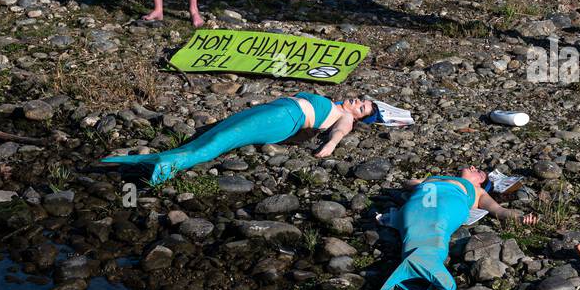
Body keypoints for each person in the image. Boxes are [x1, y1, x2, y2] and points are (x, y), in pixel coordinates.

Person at [102, 93, 375, 185]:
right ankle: (141, 161)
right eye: (362, 100)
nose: (358, 103)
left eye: (362, 108)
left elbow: (338, 133)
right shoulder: (335, 104)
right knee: (214, 134)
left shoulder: (346, 119)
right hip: (274, 110)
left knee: (220, 141)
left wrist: (328, 147)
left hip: (281, 119)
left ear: (359, 118)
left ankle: (164, 168)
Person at [375, 168, 537, 290]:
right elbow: (408, 183)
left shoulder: (478, 191)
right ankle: (414, 271)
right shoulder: (437, 177)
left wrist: (521, 218)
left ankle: (420, 267)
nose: (473, 167)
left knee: (436, 227)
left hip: (448, 202)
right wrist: (420, 182)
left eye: (479, 171)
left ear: (481, 181)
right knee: (413, 227)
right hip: (420, 200)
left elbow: (498, 210)